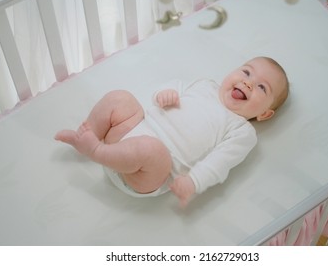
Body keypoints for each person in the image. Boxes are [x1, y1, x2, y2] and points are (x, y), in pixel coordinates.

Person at [55, 57, 289, 207]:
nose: (248, 83)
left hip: (145, 173)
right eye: (247, 73)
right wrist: (163, 95)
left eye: (261, 87)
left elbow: (220, 162)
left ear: (265, 114)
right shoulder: (205, 85)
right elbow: (164, 90)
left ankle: (94, 150)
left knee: (151, 149)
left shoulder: (242, 131)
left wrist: (194, 182)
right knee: (121, 98)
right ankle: (88, 135)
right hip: (127, 134)